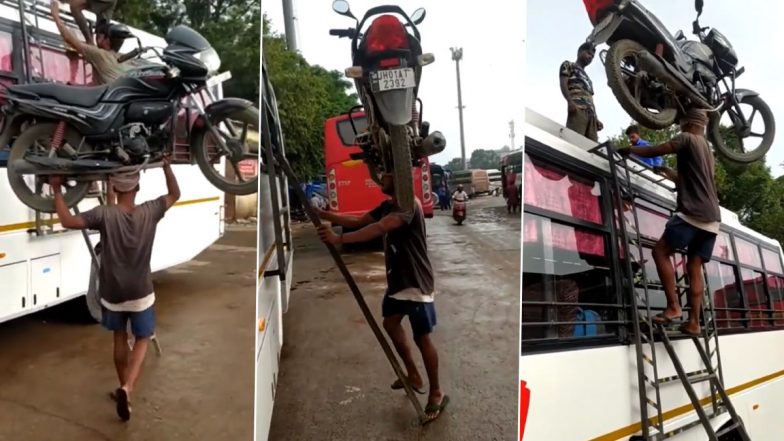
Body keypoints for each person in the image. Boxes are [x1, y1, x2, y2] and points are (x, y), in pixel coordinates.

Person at [48, 157, 180, 421]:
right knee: (143, 337)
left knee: (119, 337)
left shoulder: (104, 215)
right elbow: (175, 194)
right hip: (141, 291)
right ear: (137, 188)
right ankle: (127, 387)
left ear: (114, 188)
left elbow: (66, 220)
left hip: (112, 293)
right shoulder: (151, 210)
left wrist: (57, 190)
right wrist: (166, 167)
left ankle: (125, 394)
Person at [314, 173, 449, 422]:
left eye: (385, 175)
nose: (380, 179)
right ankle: (413, 374)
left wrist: (339, 239)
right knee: (390, 322)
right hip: (398, 281)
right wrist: (326, 215)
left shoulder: (409, 205)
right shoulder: (388, 205)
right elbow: (358, 221)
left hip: (415, 282)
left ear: (398, 179)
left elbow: (378, 228)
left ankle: (436, 392)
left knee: (422, 338)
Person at [617, 108, 720, 336]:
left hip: (692, 212)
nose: (680, 127)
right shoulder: (707, 151)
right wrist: (667, 172)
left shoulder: (687, 138)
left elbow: (656, 149)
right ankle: (694, 322)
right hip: (712, 220)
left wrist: (629, 150)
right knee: (694, 267)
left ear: (690, 124)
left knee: (660, 252)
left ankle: (673, 307)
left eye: (682, 123)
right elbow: (690, 179)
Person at [51, 0, 126, 85]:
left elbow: (69, 39)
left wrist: (55, 15)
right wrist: (77, 86)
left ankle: (89, 40)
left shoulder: (100, 55)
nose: (98, 37)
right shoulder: (120, 59)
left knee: (75, 6)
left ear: (107, 40)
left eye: (102, 35)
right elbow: (96, 86)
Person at [560, 42, 604, 141]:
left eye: (592, 57)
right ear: (580, 52)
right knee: (574, 141)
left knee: (592, 147)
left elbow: (590, 98)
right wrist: (570, 102)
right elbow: (563, 83)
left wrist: (596, 118)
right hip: (578, 108)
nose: (590, 58)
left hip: (591, 115)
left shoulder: (588, 79)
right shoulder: (568, 65)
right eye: (588, 53)